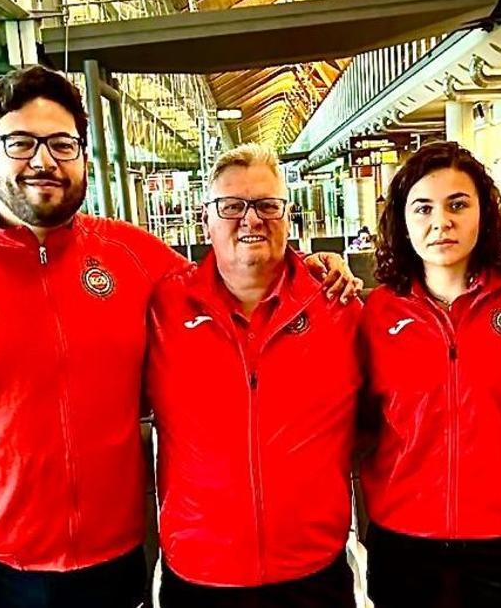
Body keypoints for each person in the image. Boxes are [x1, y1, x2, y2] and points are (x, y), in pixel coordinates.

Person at [0, 66, 360, 608]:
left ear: (84, 158)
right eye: (21, 143)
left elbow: (229, 280)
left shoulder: (134, 258)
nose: (43, 161)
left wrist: (313, 272)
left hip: (112, 557)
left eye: (62, 144)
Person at [145, 143, 362, 608]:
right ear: (206, 220)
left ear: (287, 216)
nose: (251, 219)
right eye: (232, 206)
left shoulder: (339, 308)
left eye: (267, 205)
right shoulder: (162, 308)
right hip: (202, 574)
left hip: (312, 571)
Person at [358, 141, 501, 607]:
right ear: (402, 222)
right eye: (422, 208)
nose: (440, 222)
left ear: (483, 213)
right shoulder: (376, 314)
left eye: (458, 204)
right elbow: (361, 423)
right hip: (405, 537)